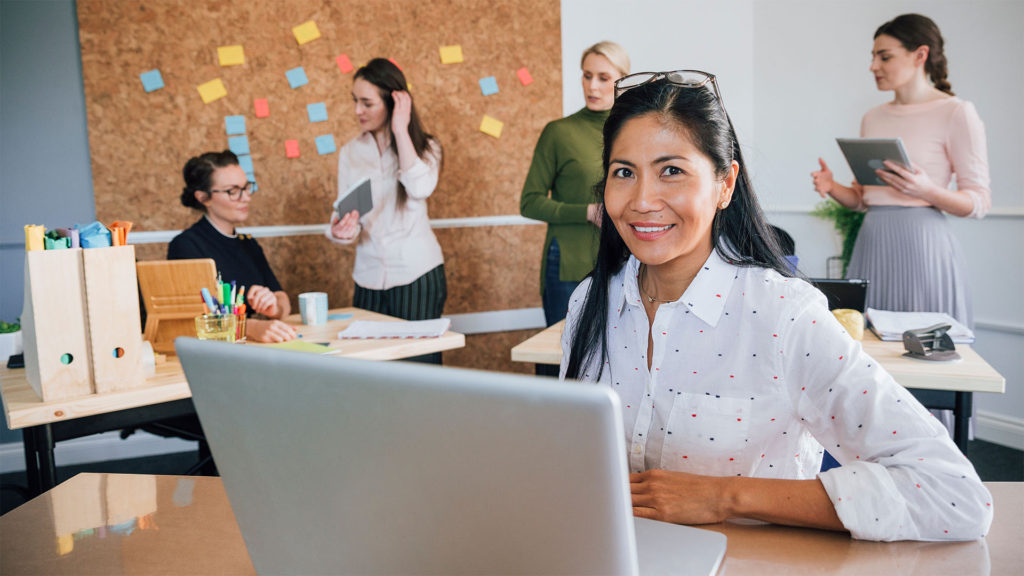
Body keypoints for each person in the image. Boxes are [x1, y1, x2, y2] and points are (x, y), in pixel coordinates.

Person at [561, 72, 992, 541]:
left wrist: (725, 496)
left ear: (725, 184)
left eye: (672, 171)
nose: (642, 200)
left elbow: (954, 494)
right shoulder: (591, 303)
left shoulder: (783, 314)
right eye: (624, 172)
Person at [811, 13, 990, 328]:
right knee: (866, 353)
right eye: (873, 57)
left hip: (924, 247)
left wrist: (927, 191)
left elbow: (979, 203)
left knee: (926, 353)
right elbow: (863, 199)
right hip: (872, 242)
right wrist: (832, 187)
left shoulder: (957, 112)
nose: (873, 66)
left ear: (920, 55)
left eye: (885, 56)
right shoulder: (873, 117)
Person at [327, 58, 445, 361]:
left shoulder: (426, 147)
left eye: (367, 103)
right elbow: (343, 216)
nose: (357, 111)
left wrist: (401, 131)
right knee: (373, 370)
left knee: (419, 370)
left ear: (394, 102)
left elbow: (419, 189)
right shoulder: (350, 152)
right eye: (355, 101)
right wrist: (341, 230)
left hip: (416, 275)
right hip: (367, 277)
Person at [521, 41, 630, 326]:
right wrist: (588, 212)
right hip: (569, 264)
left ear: (622, 80)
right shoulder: (559, 133)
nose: (592, 86)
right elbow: (529, 202)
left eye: (603, 78)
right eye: (587, 75)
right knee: (564, 362)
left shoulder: (634, 133)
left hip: (627, 262)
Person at [170, 150, 296, 343]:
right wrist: (252, 327)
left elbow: (283, 302)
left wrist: (273, 307)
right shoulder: (186, 245)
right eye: (233, 191)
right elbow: (194, 318)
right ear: (204, 198)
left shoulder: (248, 243)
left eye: (246, 188)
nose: (246, 197)